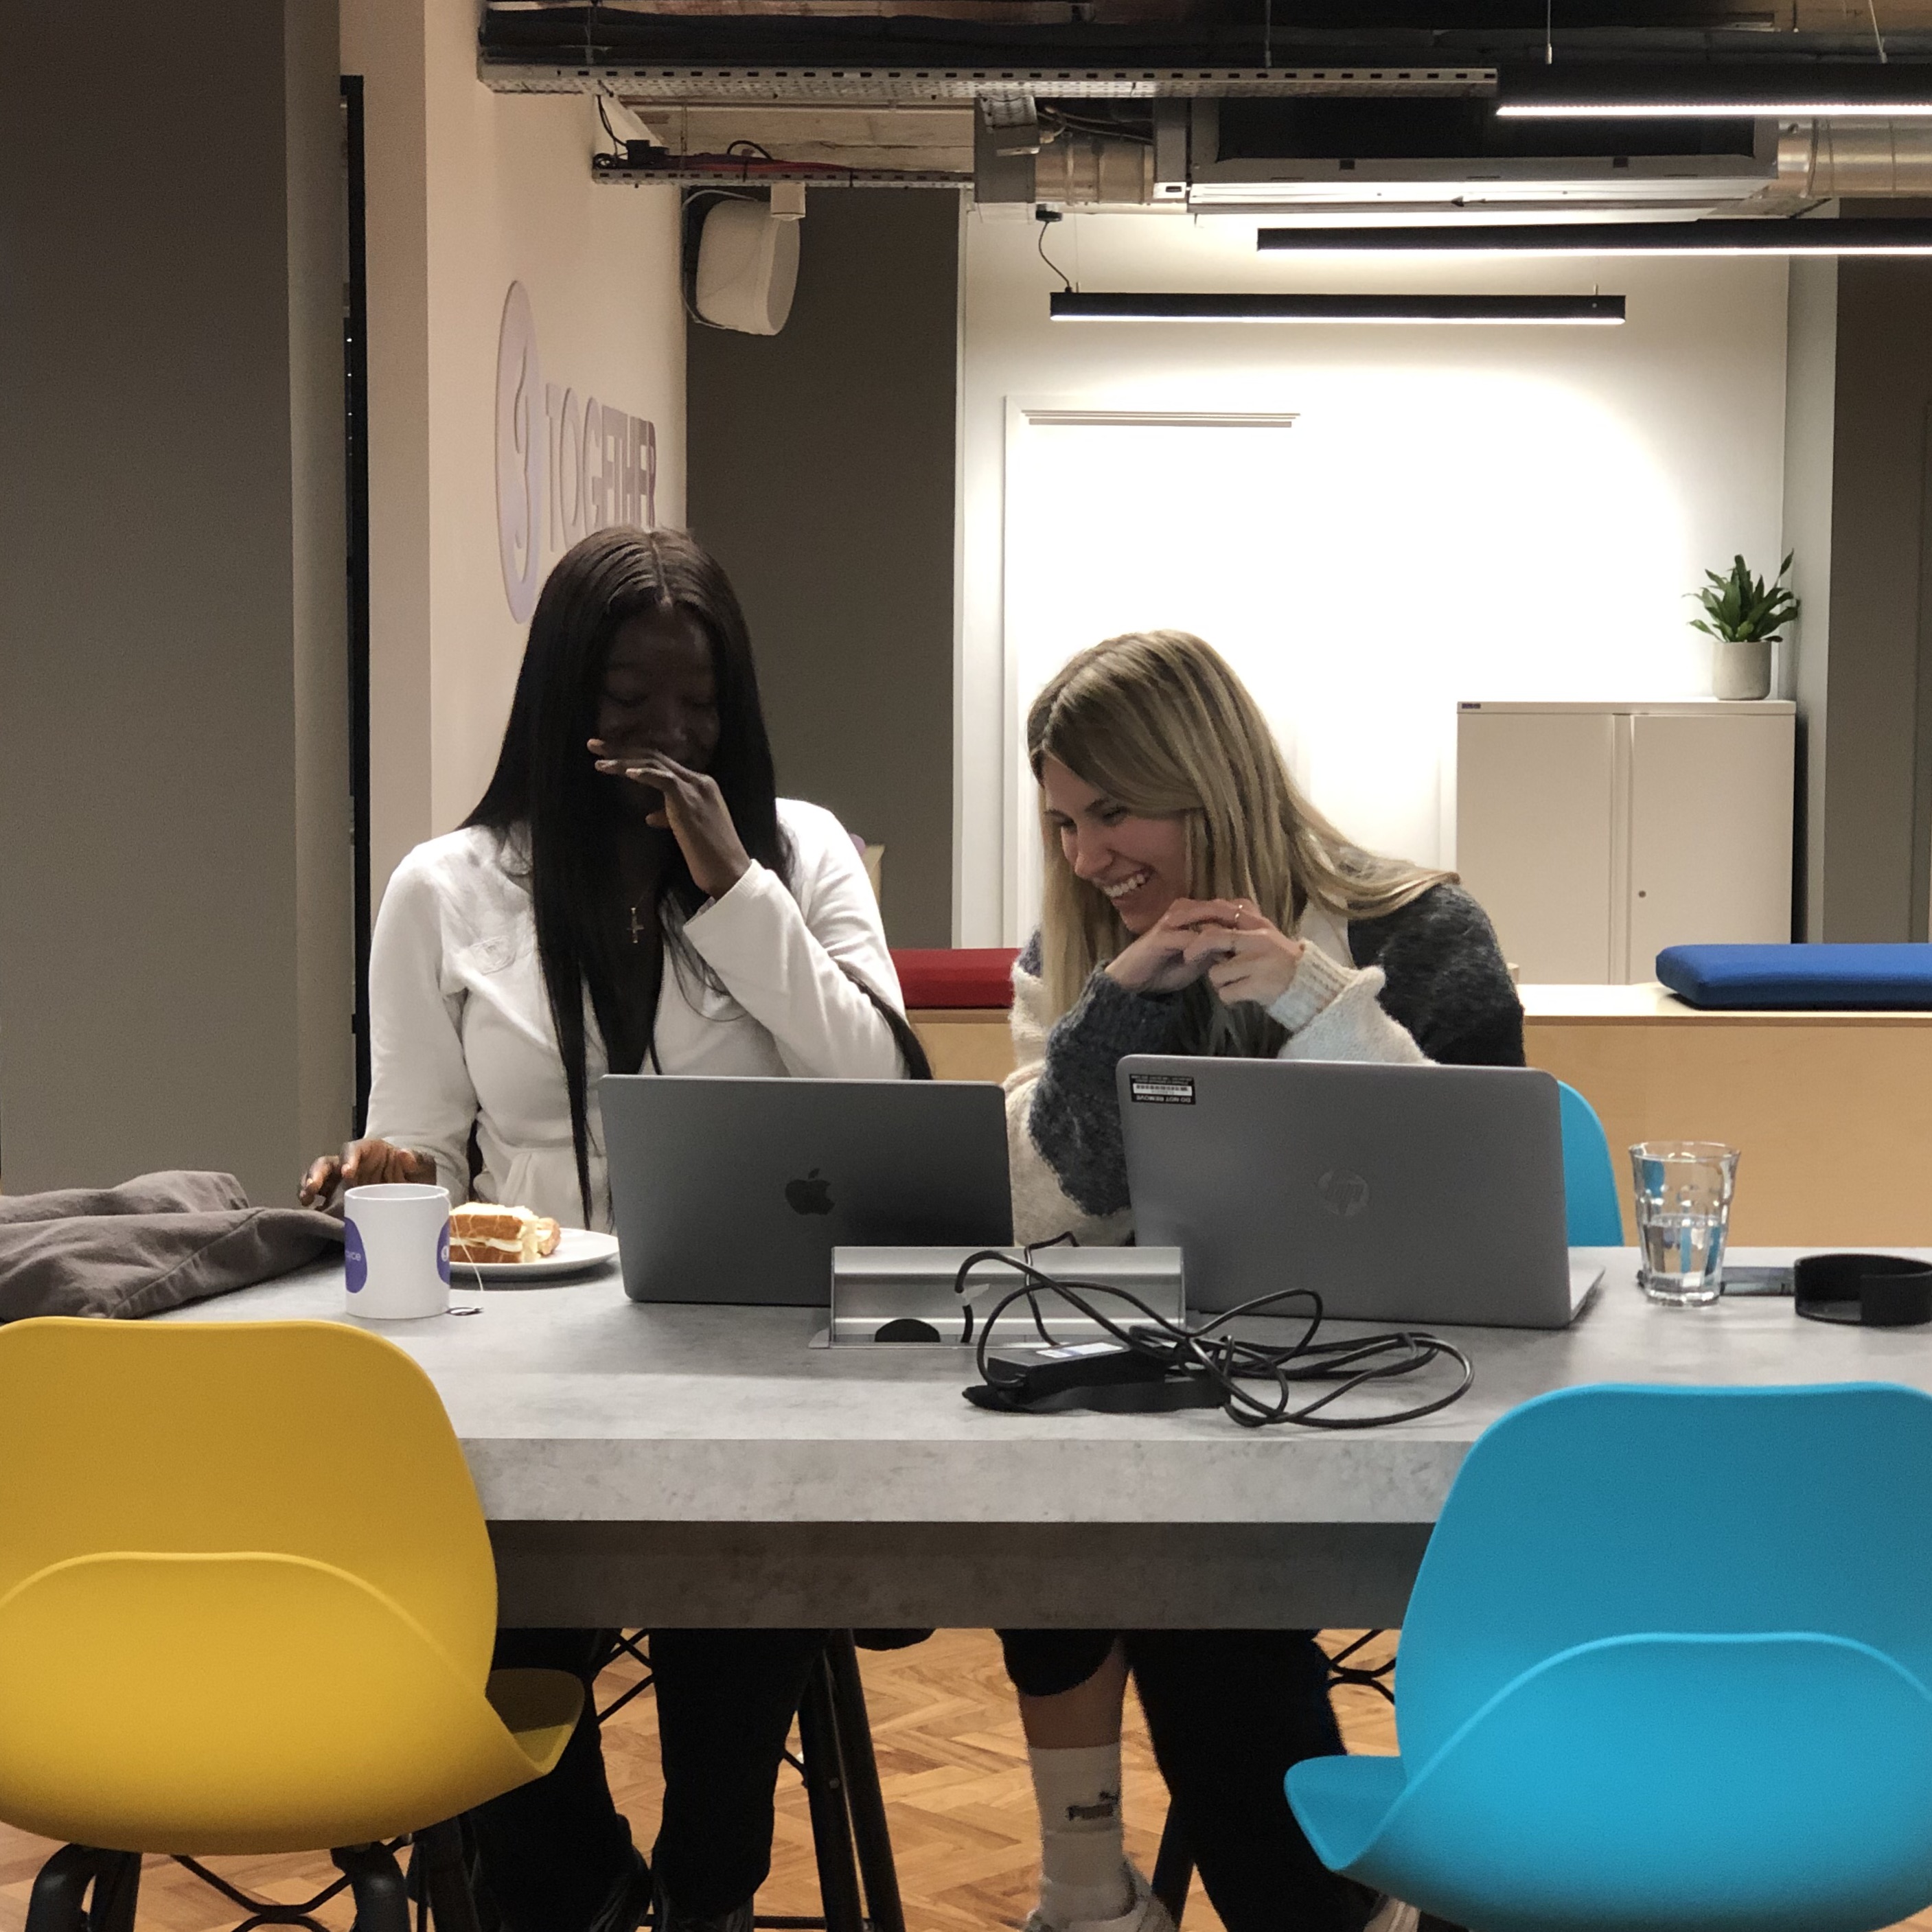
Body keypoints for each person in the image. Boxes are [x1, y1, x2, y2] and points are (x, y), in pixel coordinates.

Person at [301, 526, 921, 1932]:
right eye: (629, 706)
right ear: (562, 702)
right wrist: (387, 1172)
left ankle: (711, 1888)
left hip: (756, 1358)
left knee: (745, 1591)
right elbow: (431, 1148)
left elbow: (882, 1093)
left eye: (697, 707)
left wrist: (735, 893)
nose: (665, 739)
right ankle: (577, 1882)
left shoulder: (802, 851)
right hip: (523, 1367)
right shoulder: (448, 886)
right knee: (483, 1636)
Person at [1000, 631, 1520, 1932]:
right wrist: (1106, 1015)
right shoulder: (1081, 958)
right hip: (1211, 1429)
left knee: (1191, 1582)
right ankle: (1294, 1909)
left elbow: (1479, 1201)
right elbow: (1032, 1218)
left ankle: (1376, 1896)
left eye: (1115, 810)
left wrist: (1323, 1008)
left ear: (1207, 778)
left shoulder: (1424, 933)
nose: (1086, 857)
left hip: (1425, 1412)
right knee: (1162, 1563)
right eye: (1062, 820)